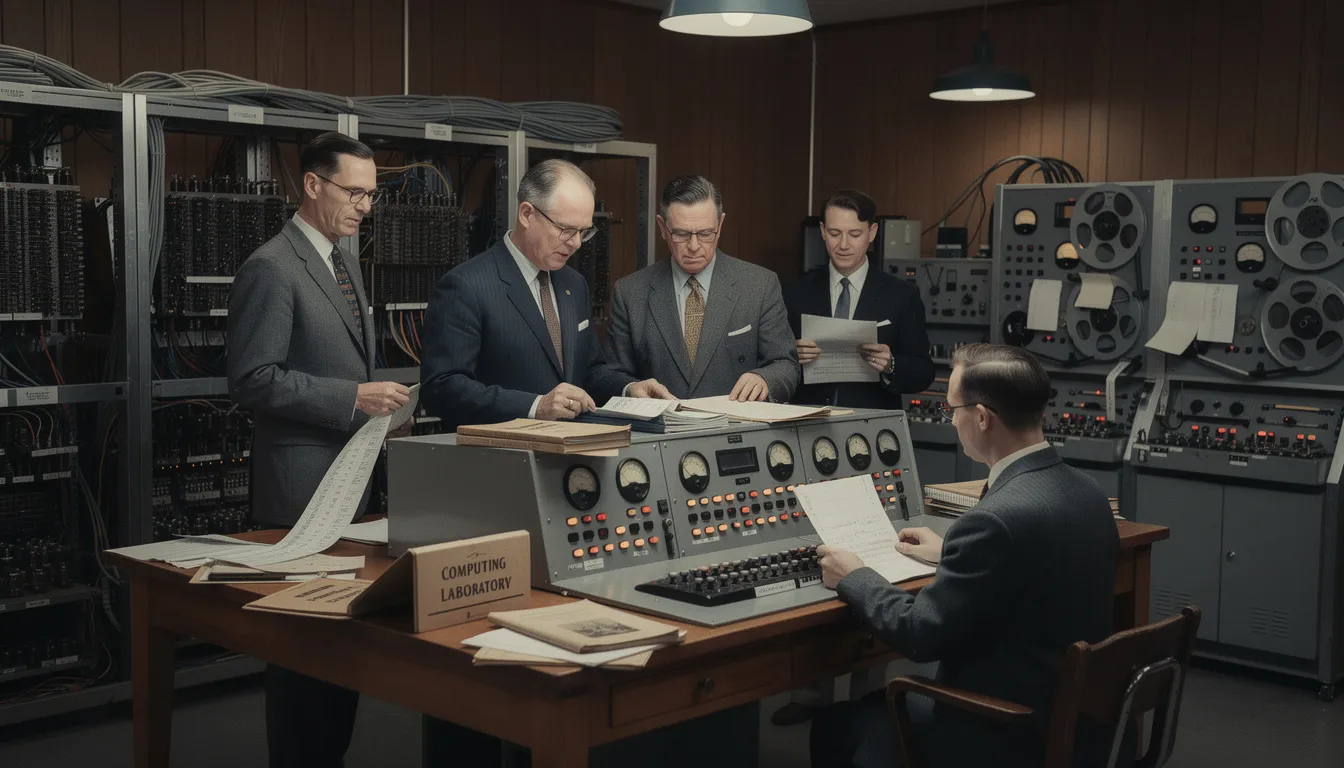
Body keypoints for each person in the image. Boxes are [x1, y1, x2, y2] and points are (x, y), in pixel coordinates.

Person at [809, 343, 1121, 768]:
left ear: (981, 417)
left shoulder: (995, 521)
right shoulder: (1089, 493)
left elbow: (920, 633)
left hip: (1000, 731)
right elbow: (1032, 565)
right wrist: (950, 552)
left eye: (953, 408)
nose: (951, 419)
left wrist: (855, 575)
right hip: (1075, 723)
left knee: (836, 724)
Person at [227, 132, 411, 767]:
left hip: (350, 489)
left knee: (339, 660)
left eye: (370, 195)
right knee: (304, 668)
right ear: (312, 185)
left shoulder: (342, 260)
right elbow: (252, 377)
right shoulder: (272, 267)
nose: (365, 207)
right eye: (354, 192)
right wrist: (351, 398)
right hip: (299, 496)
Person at [420, 159, 671, 430]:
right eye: (565, 230)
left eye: (583, 232)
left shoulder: (574, 284)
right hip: (499, 459)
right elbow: (441, 389)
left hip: (569, 455)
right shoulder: (467, 286)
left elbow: (588, 371)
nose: (575, 244)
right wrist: (535, 406)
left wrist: (628, 388)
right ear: (527, 214)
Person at [603, 175, 800, 402]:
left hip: (734, 431)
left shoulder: (759, 285)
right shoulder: (630, 293)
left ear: (721, 224)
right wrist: (630, 388)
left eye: (706, 234)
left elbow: (786, 365)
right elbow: (609, 374)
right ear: (662, 227)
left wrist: (765, 379)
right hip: (661, 431)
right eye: (681, 234)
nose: (694, 246)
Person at [784, 189, 934, 408]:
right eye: (835, 233)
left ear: (872, 232)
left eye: (854, 234)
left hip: (872, 427)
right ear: (823, 231)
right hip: (808, 425)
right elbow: (770, 363)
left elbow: (924, 372)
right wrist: (791, 356)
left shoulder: (902, 295)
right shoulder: (793, 292)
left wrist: (891, 364)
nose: (844, 245)